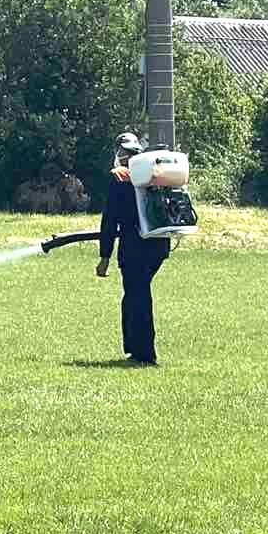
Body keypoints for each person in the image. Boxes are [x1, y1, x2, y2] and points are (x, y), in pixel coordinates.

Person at [97, 131, 172, 366]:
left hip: (135, 249)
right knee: (134, 294)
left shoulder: (119, 177)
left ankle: (145, 354)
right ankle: (133, 347)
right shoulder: (155, 174)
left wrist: (104, 256)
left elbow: (109, 220)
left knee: (138, 296)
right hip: (159, 246)